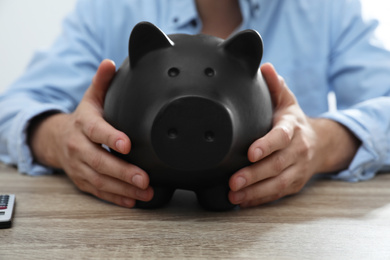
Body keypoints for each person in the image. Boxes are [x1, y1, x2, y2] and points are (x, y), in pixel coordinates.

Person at [0, 0, 389, 209]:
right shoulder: (110, 7)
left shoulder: (329, 7)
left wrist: (324, 142)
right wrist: (59, 139)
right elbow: (14, 106)